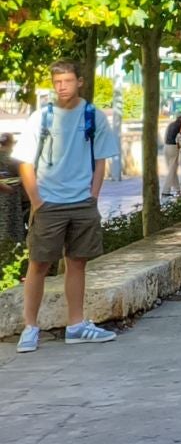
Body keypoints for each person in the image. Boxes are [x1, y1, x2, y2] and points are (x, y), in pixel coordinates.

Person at [13, 62, 117, 353]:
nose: (62, 86)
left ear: (80, 82)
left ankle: (76, 325)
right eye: (57, 81)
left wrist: (93, 197)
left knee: (77, 262)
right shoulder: (41, 117)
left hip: (82, 201)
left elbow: (100, 160)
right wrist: (36, 200)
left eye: (67, 80)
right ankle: (30, 327)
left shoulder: (93, 116)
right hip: (49, 203)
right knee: (39, 264)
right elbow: (25, 161)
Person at [162, 108, 181, 196]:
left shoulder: (170, 124)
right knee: (172, 170)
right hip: (174, 147)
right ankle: (166, 190)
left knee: (171, 169)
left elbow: (166, 136)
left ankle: (178, 189)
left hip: (166, 147)